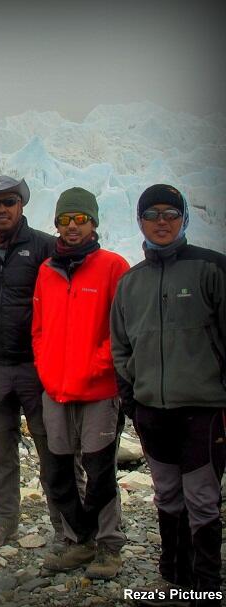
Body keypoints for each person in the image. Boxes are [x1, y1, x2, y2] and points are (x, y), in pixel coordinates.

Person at [111, 184, 226, 604]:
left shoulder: (211, 268)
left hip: (203, 407)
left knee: (202, 496)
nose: (162, 221)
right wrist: (131, 395)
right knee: (167, 492)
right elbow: (120, 345)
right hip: (151, 409)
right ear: (139, 221)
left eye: (170, 213)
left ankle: (206, 582)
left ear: (184, 219)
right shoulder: (131, 283)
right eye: (152, 214)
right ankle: (173, 571)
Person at [32, 187, 130, 579]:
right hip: (55, 388)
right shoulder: (47, 270)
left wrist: (96, 364)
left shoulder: (113, 266)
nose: (72, 227)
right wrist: (45, 365)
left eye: (80, 219)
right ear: (56, 224)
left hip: (99, 389)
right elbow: (38, 328)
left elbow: (122, 330)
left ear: (94, 222)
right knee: (59, 468)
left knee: (100, 468)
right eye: (65, 220)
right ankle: (77, 542)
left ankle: (109, 546)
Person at [0, 175, 68, 548]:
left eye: (8, 201)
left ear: (21, 204)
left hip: (36, 367)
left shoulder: (44, 246)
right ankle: (4, 520)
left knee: (53, 447)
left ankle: (65, 523)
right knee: (1, 448)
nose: (1, 209)